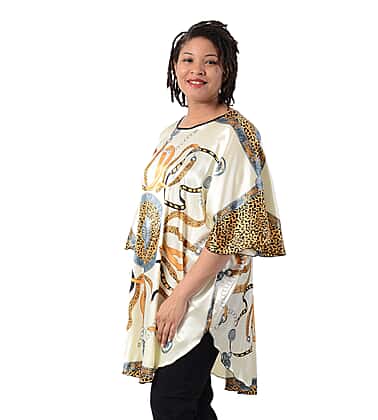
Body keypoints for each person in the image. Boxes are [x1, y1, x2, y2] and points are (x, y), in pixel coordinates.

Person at [121, 20, 286, 419]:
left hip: (204, 293)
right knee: (192, 402)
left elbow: (231, 230)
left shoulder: (235, 135)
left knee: (171, 401)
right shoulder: (171, 132)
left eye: (210, 62)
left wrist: (181, 297)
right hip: (164, 287)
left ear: (226, 70)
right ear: (175, 67)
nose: (197, 70)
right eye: (188, 59)